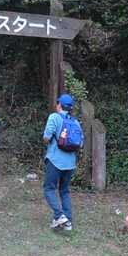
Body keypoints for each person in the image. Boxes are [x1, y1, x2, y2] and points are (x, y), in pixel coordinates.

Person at [42, 94, 83, 231]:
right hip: (70, 162)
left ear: (59, 104)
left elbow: (46, 138)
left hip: (55, 160)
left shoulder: (54, 117)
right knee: (64, 191)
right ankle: (68, 222)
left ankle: (59, 216)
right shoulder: (76, 122)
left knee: (48, 189)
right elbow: (80, 143)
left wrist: (50, 140)